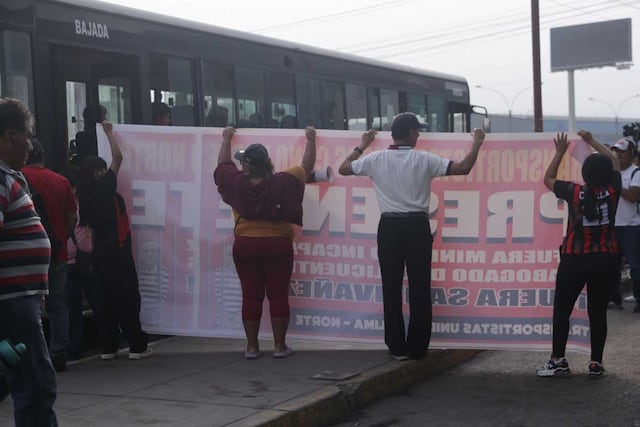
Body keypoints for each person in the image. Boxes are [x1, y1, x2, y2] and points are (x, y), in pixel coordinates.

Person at [338, 112, 485, 360]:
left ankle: (396, 347)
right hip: (417, 226)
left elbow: (343, 169)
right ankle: (417, 347)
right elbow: (464, 167)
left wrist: (362, 144)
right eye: (417, 131)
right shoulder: (423, 159)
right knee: (419, 288)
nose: (418, 135)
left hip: (389, 227)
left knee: (391, 287)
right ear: (409, 133)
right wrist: (478, 143)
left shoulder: (376, 159)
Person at [214, 126, 316, 359]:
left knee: (251, 296)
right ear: (268, 162)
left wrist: (226, 138)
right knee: (278, 295)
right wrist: (311, 139)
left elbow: (222, 166)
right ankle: (279, 347)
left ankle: (251, 348)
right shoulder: (284, 180)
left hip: (245, 245)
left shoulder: (236, 182)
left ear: (247, 165)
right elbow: (307, 165)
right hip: (278, 245)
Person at [536, 131, 620, 379]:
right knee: (598, 312)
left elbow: (548, 179)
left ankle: (558, 360)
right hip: (606, 258)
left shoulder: (574, 192)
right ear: (607, 175)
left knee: (562, 310)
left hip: (574, 259)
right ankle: (596, 363)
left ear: (585, 174)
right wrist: (593, 140)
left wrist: (560, 152)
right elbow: (614, 162)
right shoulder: (613, 189)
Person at [0, 97, 58, 425]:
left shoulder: (8, 177)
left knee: (22, 379)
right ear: (10, 136)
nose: (31, 144)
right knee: (36, 385)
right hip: (11, 304)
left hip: (18, 300)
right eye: (28, 135)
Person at [77, 121, 150, 360]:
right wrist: (109, 133)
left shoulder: (85, 198)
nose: (103, 172)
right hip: (117, 252)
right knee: (127, 297)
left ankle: (108, 347)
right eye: (99, 169)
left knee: (104, 300)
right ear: (95, 174)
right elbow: (118, 158)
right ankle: (137, 345)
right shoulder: (105, 189)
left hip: (98, 254)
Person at [21, 138, 78, 372]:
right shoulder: (61, 181)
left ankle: (34, 354)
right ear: (43, 157)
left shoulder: (17, 178)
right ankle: (58, 353)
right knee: (58, 304)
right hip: (58, 252)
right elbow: (72, 217)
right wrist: (62, 238)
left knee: (29, 306)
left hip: (27, 256)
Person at [63, 168, 98, 361]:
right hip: (78, 260)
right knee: (79, 306)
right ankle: (74, 348)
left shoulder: (79, 205)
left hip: (76, 260)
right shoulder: (79, 204)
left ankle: (74, 347)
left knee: (75, 307)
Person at [608, 137, 640, 312]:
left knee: (635, 266)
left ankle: (639, 299)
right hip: (613, 226)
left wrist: (616, 185)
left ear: (631, 154)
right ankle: (614, 299)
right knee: (612, 266)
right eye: (616, 151)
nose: (618, 155)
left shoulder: (636, 173)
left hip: (631, 227)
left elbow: (633, 196)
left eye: (622, 152)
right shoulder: (611, 173)